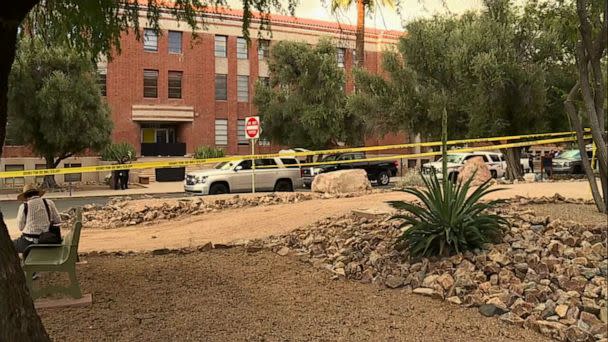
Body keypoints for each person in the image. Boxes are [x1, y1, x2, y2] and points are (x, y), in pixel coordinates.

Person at [13, 184, 61, 256]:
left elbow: (20, 227)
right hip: (47, 239)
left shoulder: (24, 206)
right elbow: (58, 220)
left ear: (26, 197)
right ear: (37, 193)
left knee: (10, 245)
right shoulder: (49, 202)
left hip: (29, 242)